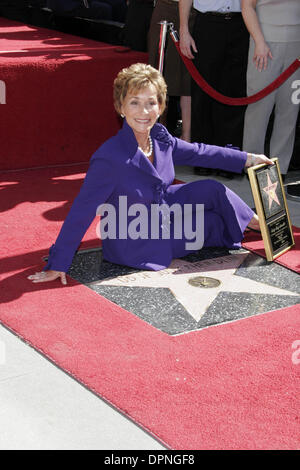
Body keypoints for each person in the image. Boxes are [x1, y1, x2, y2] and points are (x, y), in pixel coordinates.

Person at [28, 63, 273, 285]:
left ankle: (258, 224)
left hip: (163, 210)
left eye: (151, 102)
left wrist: (247, 160)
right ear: (120, 107)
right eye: (134, 102)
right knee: (215, 223)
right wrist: (59, 262)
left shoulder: (160, 138)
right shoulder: (110, 157)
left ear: (161, 106)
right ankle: (256, 226)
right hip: (136, 238)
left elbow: (200, 152)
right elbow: (82, 209)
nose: (143, 111)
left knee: (213, 189)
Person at [179, 0, 250, 174]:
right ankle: (203, 158)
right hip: (208, 24)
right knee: (202, 93)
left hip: (241, 23)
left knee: (234, 93)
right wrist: (184, 30)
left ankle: (229, 159)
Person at [241, 0, 300, 179]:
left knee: (289, 109)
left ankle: (279, 167)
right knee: (259, 108)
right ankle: (253, 164)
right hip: (264, 43)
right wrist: (259, 42)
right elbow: (247, 7)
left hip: (296, 45)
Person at [148, 0, 196, 142]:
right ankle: (157, 132)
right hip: (165, 11)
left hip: (194, 13)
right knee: (159, 75)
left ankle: (187, 136)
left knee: (188, 78)